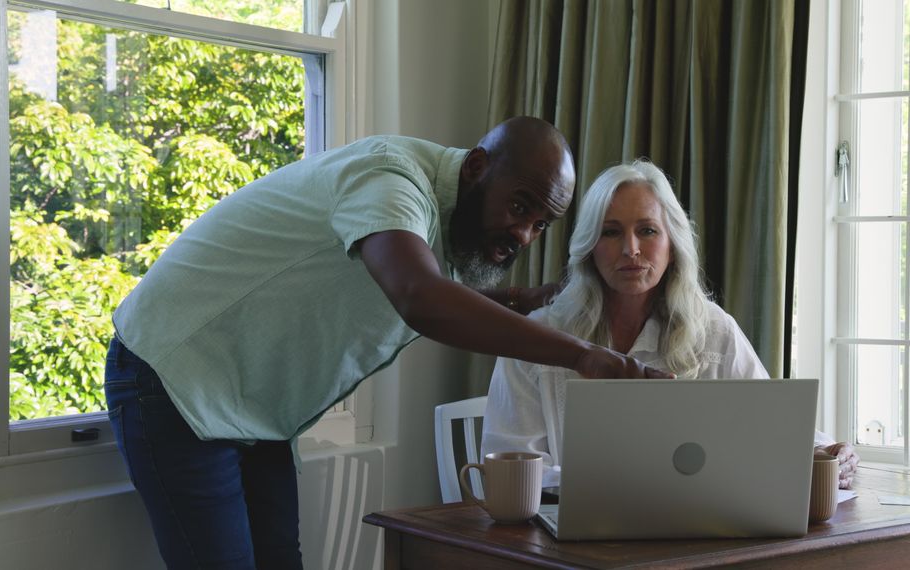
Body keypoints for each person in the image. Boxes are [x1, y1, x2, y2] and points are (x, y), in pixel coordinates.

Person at [105, 117, 671, 569]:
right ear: (477, 168)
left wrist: (523, 299)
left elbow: (432, 288)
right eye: (520, 207)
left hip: (251, 406)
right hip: (174, 374)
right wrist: (582, 355)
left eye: (541, 224)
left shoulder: (445, 219)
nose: (523, 234)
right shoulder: (390, 179)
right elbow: (419, 295)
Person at [482, 159, 860, 490]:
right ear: (589, 247)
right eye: (611, 232)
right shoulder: (536, 339)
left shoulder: (714, 331)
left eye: (647, 230)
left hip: (695, 532)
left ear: (672, 244)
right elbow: (509, 469)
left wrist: (826, 451)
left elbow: (771, 423)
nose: (631, 249)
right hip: (561, 539)